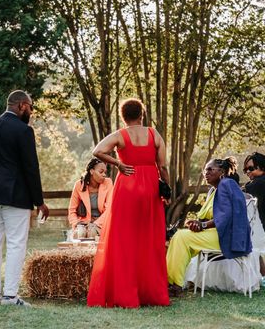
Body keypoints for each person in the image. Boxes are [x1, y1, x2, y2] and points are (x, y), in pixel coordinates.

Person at [87, 98, 170, 307]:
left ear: (124, 117)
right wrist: (166, 190)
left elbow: (97, 151)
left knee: (124, 240)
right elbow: (164, 167)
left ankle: (126, 294)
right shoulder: (154, 134)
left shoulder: (120, 135)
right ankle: (152, 294)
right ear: (142, 114)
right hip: (150, 188)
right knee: (150, 240)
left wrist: (118, 164)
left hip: (128, 188)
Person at [0, 90, 49, 306]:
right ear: (22, 106)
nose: (31, 112)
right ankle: (9, 296)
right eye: (31, 107)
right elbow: (30, 168)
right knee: (16, 243)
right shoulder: (24, 131)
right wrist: (39, 201)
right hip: (15, 195)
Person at [166, 157, 252, 295]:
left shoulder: (227, 184)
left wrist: (203, 225)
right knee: (180, 236)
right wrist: (196, 223)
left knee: (181, 237)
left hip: (228, 237)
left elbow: (227, 215)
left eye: (210, 169)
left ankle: (174, 285)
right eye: (205, 170)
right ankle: (172, 283)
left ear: (222, 171)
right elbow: (207, 217)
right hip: (216, 233)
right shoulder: (214, 190)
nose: (206, 173)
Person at [67, 158, 113, 238]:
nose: (104, 175)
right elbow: (72, 210)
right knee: (80, 232)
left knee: (92, 232)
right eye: (101, 172)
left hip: (101, 224)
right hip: (83, 223)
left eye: (105, 172)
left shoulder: (108, 182)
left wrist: (95, 224)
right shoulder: (79, 185)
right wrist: (77, 223)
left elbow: (109, 210)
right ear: (91, 171)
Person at [243, 152, 265, 279]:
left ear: (262, 167)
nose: (247, 172)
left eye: (251, 168)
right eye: (245, 169)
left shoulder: (259, 182)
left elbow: (242, 192)